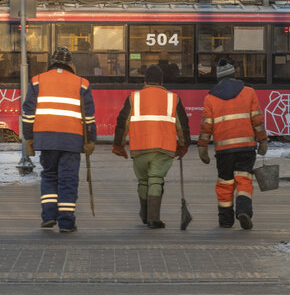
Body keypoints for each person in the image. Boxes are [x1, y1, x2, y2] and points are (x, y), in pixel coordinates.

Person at [22, 46, 96, 233]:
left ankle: (48, 216)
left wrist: (29, 138)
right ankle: (66, 222)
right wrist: (91, 140)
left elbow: (28, 114)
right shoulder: (82, 84)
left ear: (51, 63)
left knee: (49, 175)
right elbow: (88, 117)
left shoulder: (37, 81)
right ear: (71, 64)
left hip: (46, 139)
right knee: (68, 180)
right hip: (72, 140)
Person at [112, 64, 190, 229]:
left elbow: (122, 123)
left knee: (143, 181)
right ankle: (153, 218)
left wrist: (118, 145)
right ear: (162, 82)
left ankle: (145, 214)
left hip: (139, 147)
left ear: (145, 81)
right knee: (156, 179)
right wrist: (183, 146)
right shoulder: (173, 98)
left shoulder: (134, 97)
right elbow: (182, 125)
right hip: (163, 147)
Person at [197, 58, 268, 229]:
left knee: (225, 183)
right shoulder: (249, 92)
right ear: (234, 75)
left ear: (219, 78)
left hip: (223, 150)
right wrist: (262, 140)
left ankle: (226, 220)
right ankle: (243, 210)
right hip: (246, 147)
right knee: (244, 179)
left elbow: (206, 125)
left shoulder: (210, 97)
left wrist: (202, 147)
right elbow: (257, 119)